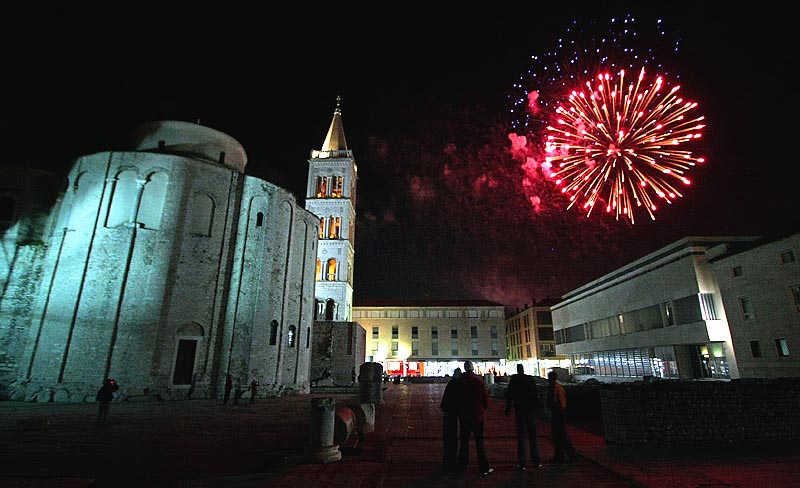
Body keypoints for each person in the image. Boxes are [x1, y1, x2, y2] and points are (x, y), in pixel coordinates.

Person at [457, 360, 493, 477]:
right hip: (477, 416)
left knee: (464, 442)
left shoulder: (460, 382)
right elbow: (485, 397)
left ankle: (462, 466)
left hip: (464, 416)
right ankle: (484, 468)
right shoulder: (478, 381)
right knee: (479, 442)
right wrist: (483, 409)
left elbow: (457, 399)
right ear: (472, 369)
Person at [505, 364, 542, 471]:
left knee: (521, 437)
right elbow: (535, 395)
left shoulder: (514, 380)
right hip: (529, 410)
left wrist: (508, 408)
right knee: (532, 437)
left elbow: (509, 395)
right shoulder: (529, 379)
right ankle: (536, 461)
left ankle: (522, 463)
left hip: (520, 410)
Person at [546, 370, 579, 463]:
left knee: (558, 435)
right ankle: (565, 455)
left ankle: (566, 456)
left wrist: (549, 408)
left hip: (557, 412)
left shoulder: (553, 387)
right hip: (562, 411)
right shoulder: (560, 387)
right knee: (561, 434)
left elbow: (552, 400)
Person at [439, 367, 462, 471]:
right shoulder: (462, 384)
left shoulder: (452, 384)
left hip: (449, 414)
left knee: (449, 438)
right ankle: (455, 460)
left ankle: (448, 460)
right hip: (457, 413)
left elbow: (445, 401)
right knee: (455, 438)